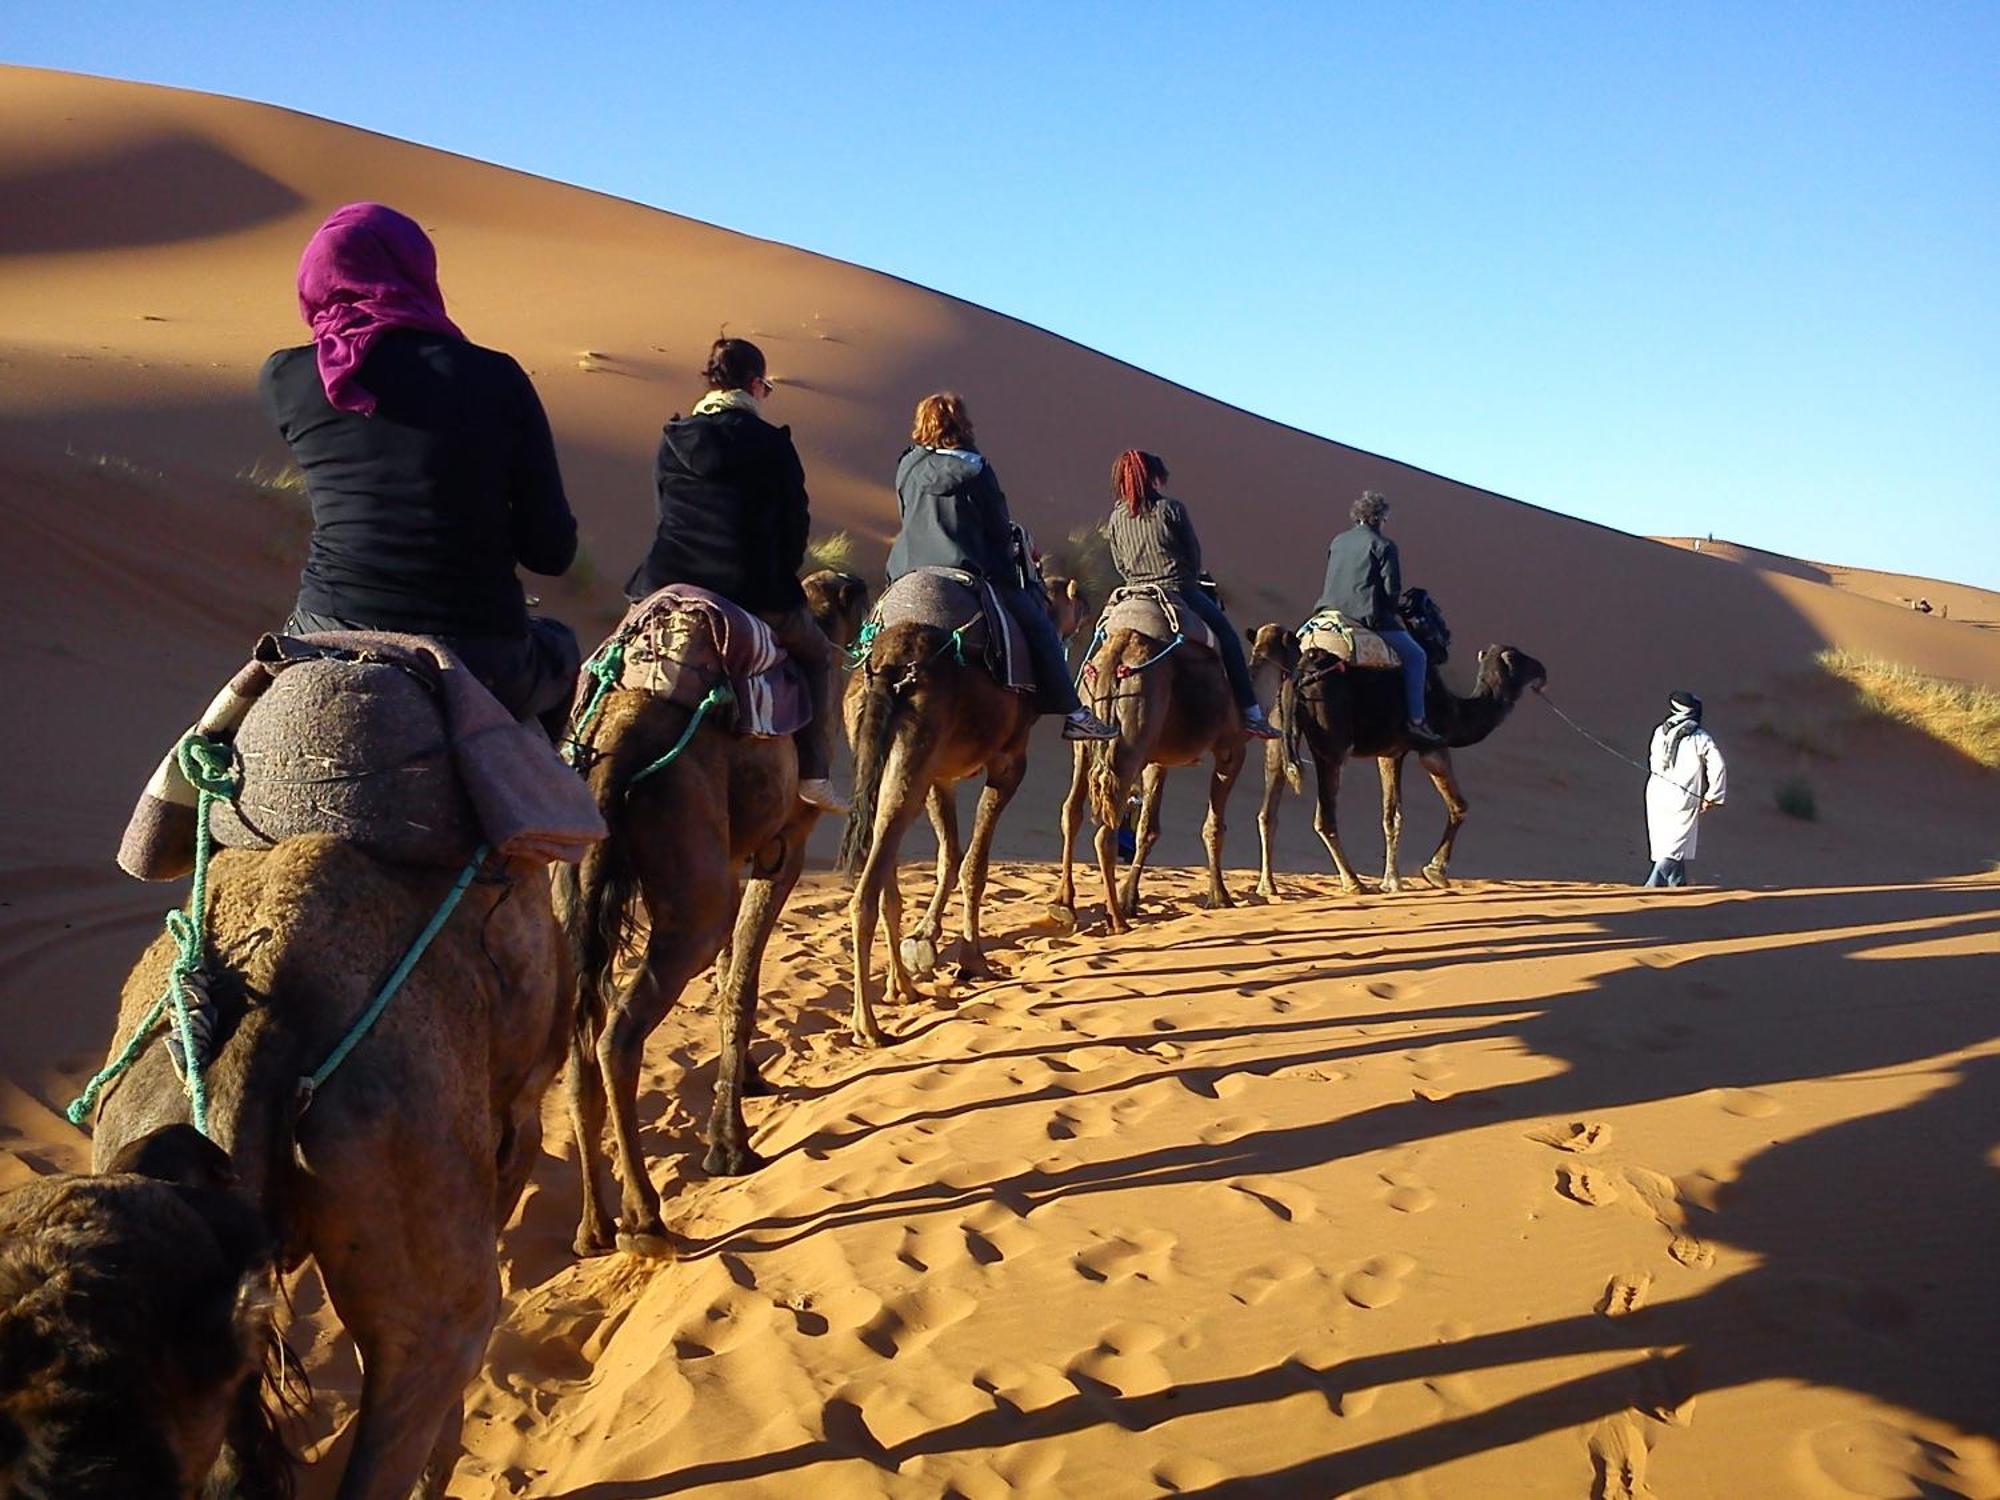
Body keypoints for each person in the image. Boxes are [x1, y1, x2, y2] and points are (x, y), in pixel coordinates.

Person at [261, 202, 581, 740]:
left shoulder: (285, 377)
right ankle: (555, 816)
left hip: (328, 628)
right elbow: (551, 554)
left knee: (217, 739)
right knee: (560, 650)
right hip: (480, 651)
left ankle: (162, 820)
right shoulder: (494, 376)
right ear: (416, 270)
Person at [624, 337, 844, 812]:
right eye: (766, 387)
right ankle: (814, 773)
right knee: (819, 656)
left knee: (615, 658)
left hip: (667, 585)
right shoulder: (772, 443)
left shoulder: (674, 438)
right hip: (751, 586)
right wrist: (781, 573)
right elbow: (794, 527)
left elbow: (666, 513)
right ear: (754, 385)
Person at [886, 393, 1116, 740]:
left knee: (874, 626)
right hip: (965, 566)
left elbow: (908, 514)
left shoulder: (907, 465)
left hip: (906, 569)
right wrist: (1012, 561)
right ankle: (1073, 712)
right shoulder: (975, 468)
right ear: (962, 423)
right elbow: (996, 528)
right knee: (1038, 626)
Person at [1101, 450, 1278, 739]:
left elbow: (1120, 563)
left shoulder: (1116, 518)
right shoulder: (1171, 509)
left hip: (1132, 593)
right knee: (1229, 639)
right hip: (1177, 589)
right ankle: (1251, 714)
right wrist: (1187, 577)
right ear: (1153, 478)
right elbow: (1192, 555)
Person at [1314, 490, 1441, 745]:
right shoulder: (1383, 545)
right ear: (1378, 517)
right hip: (1366, 617)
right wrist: (1393, 609)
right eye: (1385, 519)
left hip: (1328, 613)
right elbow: (1391, 589)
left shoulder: (1338, 540)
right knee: (1417, 657)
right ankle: (1417, 721)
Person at [1644, 690, 1727, 887]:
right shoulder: (1700, 737)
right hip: (1682, 796)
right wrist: (1713, 795)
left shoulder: (1659, 732)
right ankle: (1653, 885)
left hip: (1656, 792)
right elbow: (1718, 766)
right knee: (1674, 845)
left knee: (1668, 841)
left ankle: (1677, 883)